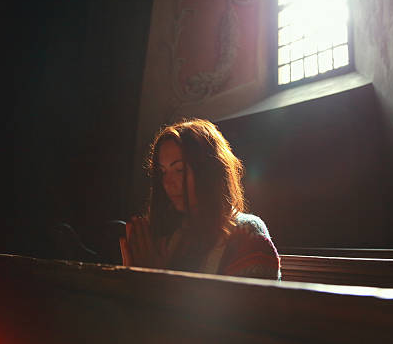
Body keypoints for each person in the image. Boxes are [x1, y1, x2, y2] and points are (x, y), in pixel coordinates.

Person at [120, 118, 280, 280]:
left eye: (179, 170)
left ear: (209, 172)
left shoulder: (247, 232)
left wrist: (154, 279)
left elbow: (248, 304)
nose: (167, 183)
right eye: (163, 172)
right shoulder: (174, 234)